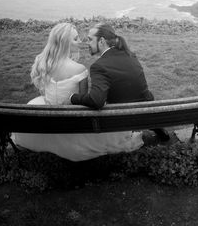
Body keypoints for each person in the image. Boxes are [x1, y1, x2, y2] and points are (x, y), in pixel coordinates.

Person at [11, 22, 144, 161]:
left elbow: (45, 93)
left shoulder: (43, 63)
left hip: (46, 117)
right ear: (65, 43)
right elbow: (84, 105)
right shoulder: (79, 69)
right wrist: (73, 96)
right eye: (76, 39)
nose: (80, 42)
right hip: (73, 123)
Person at [70, 22, 170, 142]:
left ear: (101, 41)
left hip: (122, 119)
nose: (87, 43)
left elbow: (96, 101)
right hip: (146, 112)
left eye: (90, 39)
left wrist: (73, 97)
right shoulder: (130, 55)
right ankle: (157, 127)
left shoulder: (99, 66)